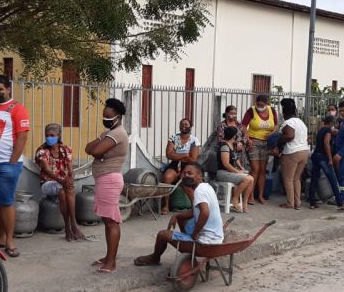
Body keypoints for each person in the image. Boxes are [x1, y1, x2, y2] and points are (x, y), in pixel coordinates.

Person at [133, 163, 223, 267]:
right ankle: (187, 243)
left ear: (199, 175)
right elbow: (196, 211)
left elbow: (205, 212)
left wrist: (195, 233)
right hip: (216, 237)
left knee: (162, 235)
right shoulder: (206, 187)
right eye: (184, 173)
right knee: (182, 219)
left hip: (206, 241)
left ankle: (155, 258)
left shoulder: (199, 191)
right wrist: (176, 216)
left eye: (190, 173)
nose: (186, 176)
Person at [0, 75, 30, 258]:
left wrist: (12, 161)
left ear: (8, 89)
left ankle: (10, 240)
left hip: (7, 164)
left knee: (6, 202)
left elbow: (22, 137)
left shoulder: (17, 109)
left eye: (0, 89)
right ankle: (1, 237)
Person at [86, 98, 128, 274]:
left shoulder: (118, 133)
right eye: (104, 117)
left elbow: (95, 151)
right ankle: (108, 257)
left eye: (109, 117)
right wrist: (98, 150)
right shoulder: (109, 133)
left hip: (110, 180)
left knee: (111, 222)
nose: (105, 120)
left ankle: (111, 262)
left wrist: (99, 152)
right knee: (107, 220)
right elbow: (88, 148)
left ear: (118, 117)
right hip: (104, 179)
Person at [35, 123, 85, 241]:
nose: (49, 138)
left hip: (62, 183)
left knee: (65, 190)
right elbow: (47, 170)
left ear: (59, 135)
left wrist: (69, 178)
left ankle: (69, 227)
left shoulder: (66, 149)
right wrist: (62, 181)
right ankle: (72, 226)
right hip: (47, 184)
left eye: (52, 135)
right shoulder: (42, 151)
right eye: (47, 135)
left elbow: (70, 169)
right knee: (63, 189)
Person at [241, 95, 278, 205]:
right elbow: (243, 126)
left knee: (262, 170)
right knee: (255, 169)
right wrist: (247, 139)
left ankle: (261, 195)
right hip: (253, 142)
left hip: (266, 143)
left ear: (267, 104)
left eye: (262, 105)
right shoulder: (251, 111)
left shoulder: (272, 111)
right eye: (258, 105)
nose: (259, 107)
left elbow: (276, 125)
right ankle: (250, 195)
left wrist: (272, 133)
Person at [161, 118, 200, 215]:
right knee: (167, 177)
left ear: (190, 126)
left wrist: (177, 155)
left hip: (188, 166)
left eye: (186, 124)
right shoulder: (174, 138)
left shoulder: (194, 140)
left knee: (186, 181)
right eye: (182, 124)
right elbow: (169, 155)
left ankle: (194, 206)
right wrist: (185, 155)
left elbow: (193, 159)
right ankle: (166, 205)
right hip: (175, 164)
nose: (183, 126)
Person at [275, 98, 309, 210]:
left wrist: (279, 139)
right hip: (304, 151)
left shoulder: (289, 122)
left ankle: (290, 203)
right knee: (296, 178)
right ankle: (297, 202)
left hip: (292, 153)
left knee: (288, 179)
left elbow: (290, 136)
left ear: (285, 112)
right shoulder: (301, 122)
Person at [309, 115, 344, 210]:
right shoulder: (328, 130)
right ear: (331, 123)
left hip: (315, 156)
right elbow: (326, 144)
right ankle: (340, 203)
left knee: (314, 179)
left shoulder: (321, 130)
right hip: (323, 157)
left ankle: (312, 202)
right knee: (333, 179)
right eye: (334, 123)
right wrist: (330, 159)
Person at [216, 125, 254, 212]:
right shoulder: (224, 147)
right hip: (222, 172)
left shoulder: (231, 145)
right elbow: (226, 164)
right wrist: (237, 172)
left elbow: (236, 159)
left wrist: (241, 168)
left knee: (251, 179)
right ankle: (235, 199)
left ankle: (244, 203)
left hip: (229, 172)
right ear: (234, 136)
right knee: (247, 179)